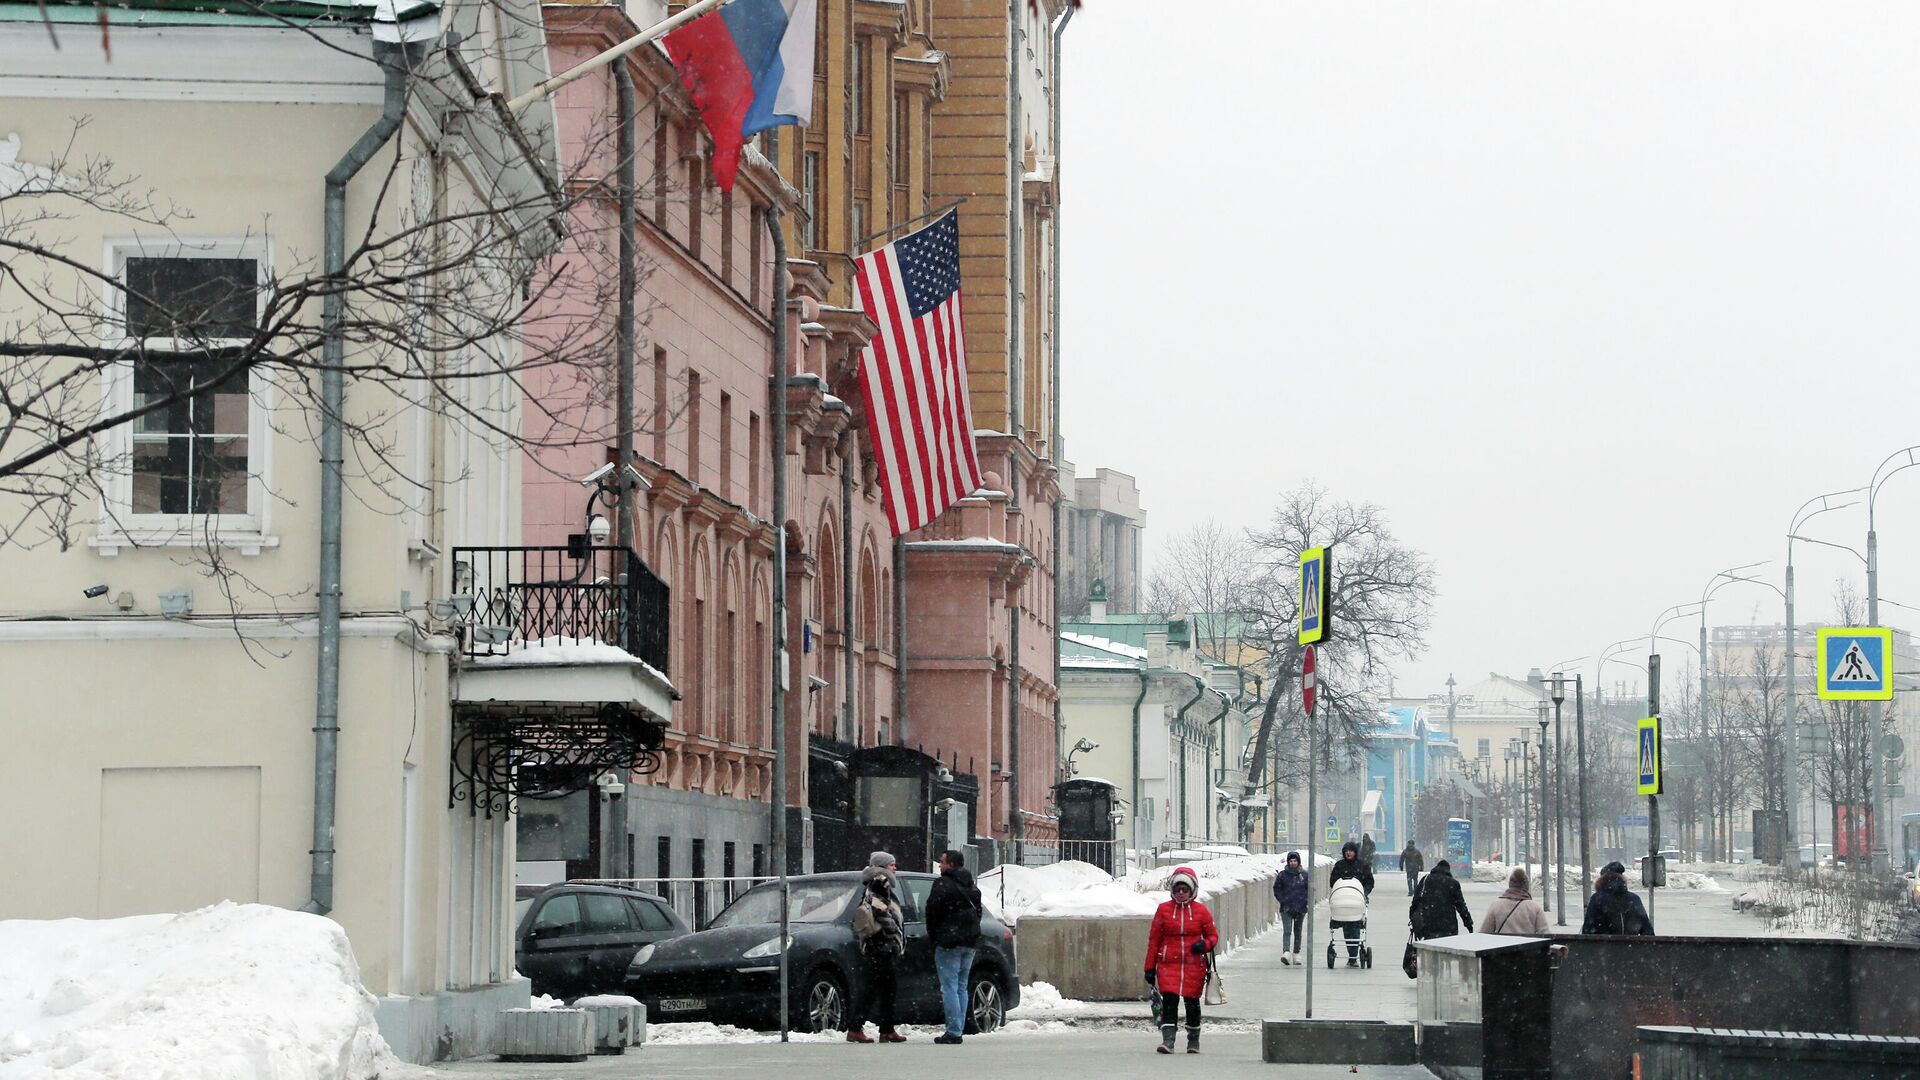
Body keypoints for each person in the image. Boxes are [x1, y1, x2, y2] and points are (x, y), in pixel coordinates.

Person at [1144, 866, 1218, 1054]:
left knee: (1192, 1005)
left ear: (1192, 890)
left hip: (1194, 966)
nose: (1181, 893)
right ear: (1172, 891)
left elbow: (1213, 936)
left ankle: (1193, 1041)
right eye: (1178, 889)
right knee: (1169, 1003)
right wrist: (1149, 967)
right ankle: (1168, 1040)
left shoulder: (1201, 911)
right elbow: (1154, 940)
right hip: (1168, 964)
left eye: (1185, 889)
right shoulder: (1163, 910)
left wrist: (1204, 945)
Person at [926, 848, 983, 1044]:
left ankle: (953, 1030)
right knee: (961, 986)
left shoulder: (942, 884)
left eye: (942, 862)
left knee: (949, 986)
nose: (939, 865)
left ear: (950, 864)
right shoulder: (972, 887)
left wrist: (935, 936)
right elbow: (978, 913)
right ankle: (959, 1027)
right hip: (969, 942)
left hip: (948, 943)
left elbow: (932, 912)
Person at [847, 852, 905, 1043]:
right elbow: (880, 909)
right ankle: (857, 1028)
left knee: (886, 987)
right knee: (875, 988)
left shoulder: (874, 882)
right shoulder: (880, 882)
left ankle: (886, 1029)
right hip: (881, 945)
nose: (894, 868)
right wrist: (893, 931)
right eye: (891, 865)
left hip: (878, 945)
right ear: (882, 867)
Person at [1582, 861, 1655, 936]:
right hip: (1631, 946)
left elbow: (1588, 931)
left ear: (1601, 880)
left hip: (1603, 946)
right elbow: (1647, 931)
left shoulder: (1597, 899)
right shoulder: (1634, 899)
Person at [1409, 859, 1474, 940]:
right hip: (1448, 925)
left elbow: (1415, 902)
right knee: (1447, 949)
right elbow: (1461, 906)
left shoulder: (1425, 880)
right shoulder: (1453, 883)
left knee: (1429, 947)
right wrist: (1469, 924)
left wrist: (1413, 919)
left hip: (1428, 923)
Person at [1482, 867, 1550, 936]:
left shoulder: (1496, 905)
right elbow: (1545, 934)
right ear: (1526, 885)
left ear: (1510, 884)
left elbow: (1484, 932)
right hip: (1527, 946)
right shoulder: (1534, 907)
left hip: (1503, 945)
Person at [1271, 851, 1310, 965]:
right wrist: (1283, 900)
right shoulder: (1283, 875)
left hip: (1300, 908)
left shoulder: (1304, 875)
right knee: (1287, 931)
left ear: (1298, 862)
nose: (1293, 863)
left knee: (1298, 931)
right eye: (1291, 861)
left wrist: (1305, 902)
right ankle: (1286, 952)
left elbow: (1309, 890)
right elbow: (1277, 889)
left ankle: (1296, 953)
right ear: (1288, 862)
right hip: (1286, 908)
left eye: (1295, 861)